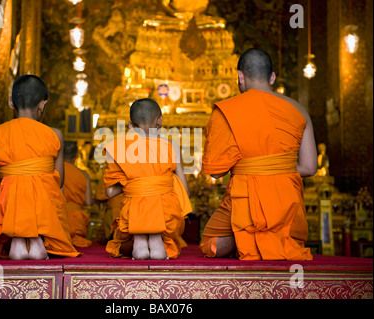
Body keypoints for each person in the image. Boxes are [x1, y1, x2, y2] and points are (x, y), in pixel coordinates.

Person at [200, 48, 317, 261]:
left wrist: (252, 166)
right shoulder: (299, 110)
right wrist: (273, 167)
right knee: (284, 233)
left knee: (210, 244)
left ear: (240, 77)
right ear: (272, 77)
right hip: (286, 204)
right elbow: (309, 167)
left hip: (244, 200)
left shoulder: (228, 111)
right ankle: (269, 237)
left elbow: (215, 171)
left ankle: (246, 234)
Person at [0, 74, 81, 260]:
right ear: (42, 104)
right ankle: (36, 238)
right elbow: (59, 180)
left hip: (10, 206)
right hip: (43, 206)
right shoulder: (54, 134)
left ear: (11, 103)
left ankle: (18, 240)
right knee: (44, 187)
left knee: (11, 188)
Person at [103, 98, 192, 260]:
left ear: (131, 126)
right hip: (165, 212)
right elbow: (185, 191)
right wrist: (155, 185)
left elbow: (109, 192)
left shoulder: (115, 148)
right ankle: (157, 239)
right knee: (160, 203)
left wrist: (136, 185)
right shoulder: (171, 147)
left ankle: (140, 240)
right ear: (160, 120)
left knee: (135, 208)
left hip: (134, 212)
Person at [63, 141, 93, 247]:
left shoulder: (54, 172)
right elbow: (88, 202)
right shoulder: (84, 174)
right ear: (76, 155)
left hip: (59, 219)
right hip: (77, 221)